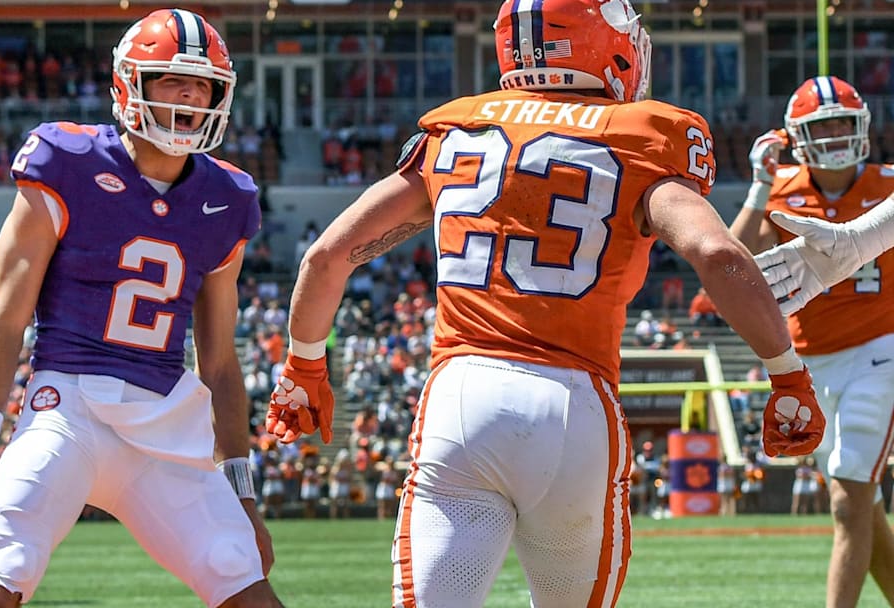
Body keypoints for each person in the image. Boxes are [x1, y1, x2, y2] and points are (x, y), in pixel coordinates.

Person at [266, 1, 823, 605]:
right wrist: (785, 371)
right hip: (574, 405)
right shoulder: (644, 132)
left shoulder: (456, 127)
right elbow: (717, 253)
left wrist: (304, 367)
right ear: (609, 45)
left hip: (462, 398)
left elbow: (326, 256)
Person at [0, 9, 284, 608]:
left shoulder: (228, 198)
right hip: (65, 406)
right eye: (174, 79)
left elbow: (221, 366)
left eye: (203, 84)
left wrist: (242, 492)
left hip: (164, 424)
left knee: (238, 571)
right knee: (8, 555)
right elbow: (5, 317)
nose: (190, 95)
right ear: (131, 83)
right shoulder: (65, 161)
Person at [728, 75, 894, 608]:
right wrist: (758, 186)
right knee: (862, 509)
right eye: (824, 126)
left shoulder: (888, 182)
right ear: (797, 135)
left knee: (848, 501)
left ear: (865, 125)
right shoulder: (780, 187)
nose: (837, 134)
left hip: (880, 351)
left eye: (845, 122)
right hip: (811, 365)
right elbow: (728, 263)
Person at [755, 193, 894, 315]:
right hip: (809, 335)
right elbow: (749, 250)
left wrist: (862, 238)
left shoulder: (885, 176)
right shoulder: (781, 182)